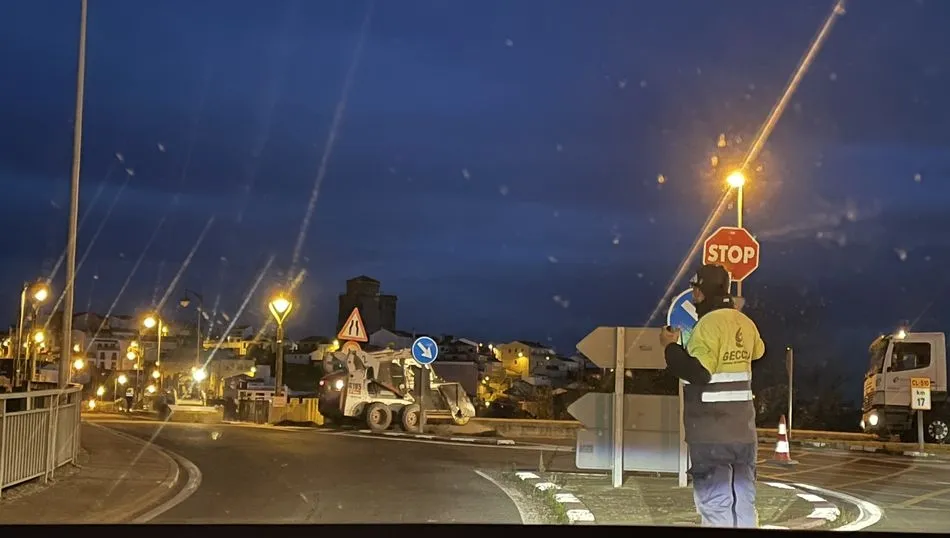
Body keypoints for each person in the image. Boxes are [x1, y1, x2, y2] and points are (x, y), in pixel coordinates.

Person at [659, 263, 766, 528]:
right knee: (743, 500)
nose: (694, 295)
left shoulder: (707, 325)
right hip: (744, 433)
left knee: (715, 503)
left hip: (711, 432)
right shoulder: (745, 322)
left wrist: (670, 348)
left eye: (696, 289)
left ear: (702, 291)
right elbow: (759, 352)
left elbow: (700, 373)